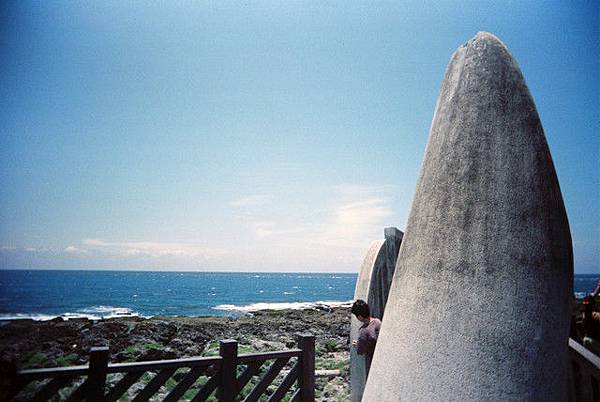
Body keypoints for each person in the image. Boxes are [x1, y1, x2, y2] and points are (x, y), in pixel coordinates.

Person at [351, 299, 381, 375]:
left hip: (372, 364)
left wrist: (357, 344)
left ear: (360, 316)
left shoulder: (363, 331)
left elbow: (360, 351)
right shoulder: (377, 322)